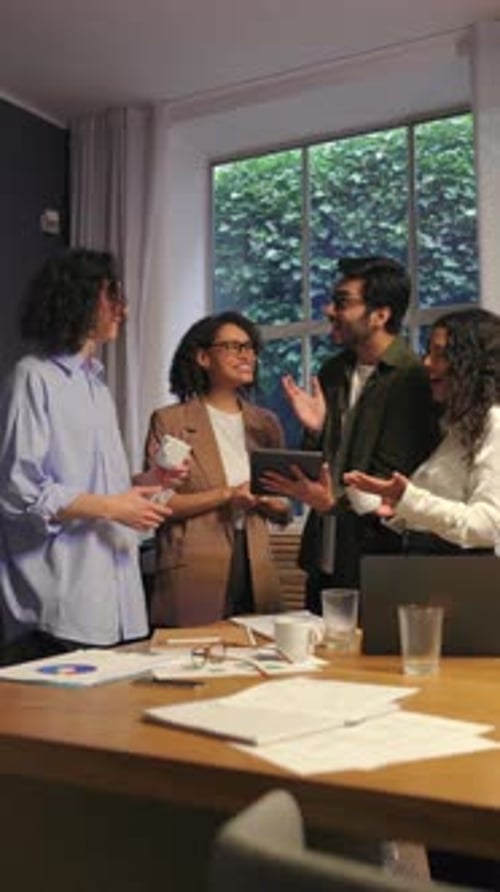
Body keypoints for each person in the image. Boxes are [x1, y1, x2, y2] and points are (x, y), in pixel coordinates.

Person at [0, 249, 178, 663]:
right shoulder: (34, 377)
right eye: (111, 296)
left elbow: (94, 488)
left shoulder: (95, 385)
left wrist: (146, 484)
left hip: (116, 606)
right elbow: (19, 492)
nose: (123, 309)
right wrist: (114, 507)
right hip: (57, 607)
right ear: (78, 298)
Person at [261, 256, 437, 613]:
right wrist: (315, 431)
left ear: (380, 315)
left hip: (379, 559)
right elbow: (324, 465)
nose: (329, 310)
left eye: (342, 302)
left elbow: (389, 478)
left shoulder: (412, 378)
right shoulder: (333, 370)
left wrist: (331, 501)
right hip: (323, 555)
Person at [144, 311, 290, 627]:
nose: (246, 355)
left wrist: (272, 503)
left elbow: (284, 506)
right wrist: (225, 496)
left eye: (250, 347)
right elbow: (157, 502)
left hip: (256, 566)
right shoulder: (172, 422)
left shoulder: (266, 424)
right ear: (203, 357)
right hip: (193, 568)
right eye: (233, 347)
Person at [344, 307, 500, 553]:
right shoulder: (460, 426)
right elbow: (437, 512)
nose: (427, 363)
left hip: (465, 582)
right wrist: (388, 504)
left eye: (440, 355)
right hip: (431, 573)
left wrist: (408, 498)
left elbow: (489, 526)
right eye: (428, 352)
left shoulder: (495, 423)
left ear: (472, 363)